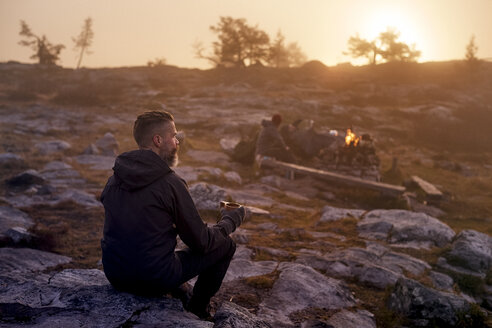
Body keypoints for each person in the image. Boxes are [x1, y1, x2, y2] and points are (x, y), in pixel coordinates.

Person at [100, 110, 245, 320]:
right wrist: (230, 220)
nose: (178, 142)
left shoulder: (114, 178)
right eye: (174, 136)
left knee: (159, 248)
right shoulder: (170, 183)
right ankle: (198, 308)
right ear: (158, 140)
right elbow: (201, 242)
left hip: (115, 274)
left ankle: (180, 290)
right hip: (153, 279)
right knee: (225, 245)